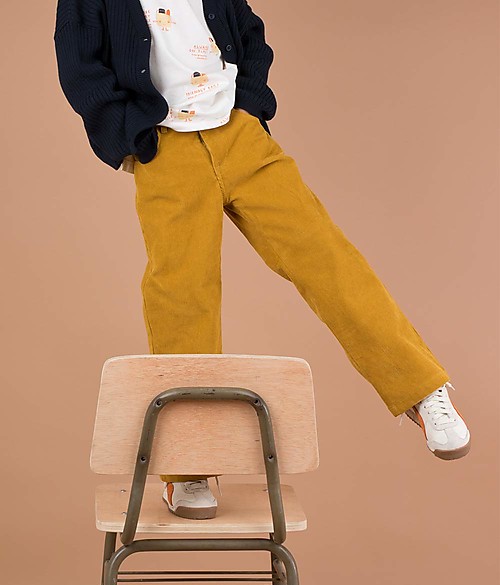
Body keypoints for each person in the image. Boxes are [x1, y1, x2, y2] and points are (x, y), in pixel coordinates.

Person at [53, 0, 471, 521]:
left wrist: (249, 106)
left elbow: (250, 33)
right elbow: (80, 67)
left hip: (241, 137)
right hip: (167, 149)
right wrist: (130, 137)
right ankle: (189, 466)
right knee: (181, 296)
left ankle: (421, 389)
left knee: (326, 257)